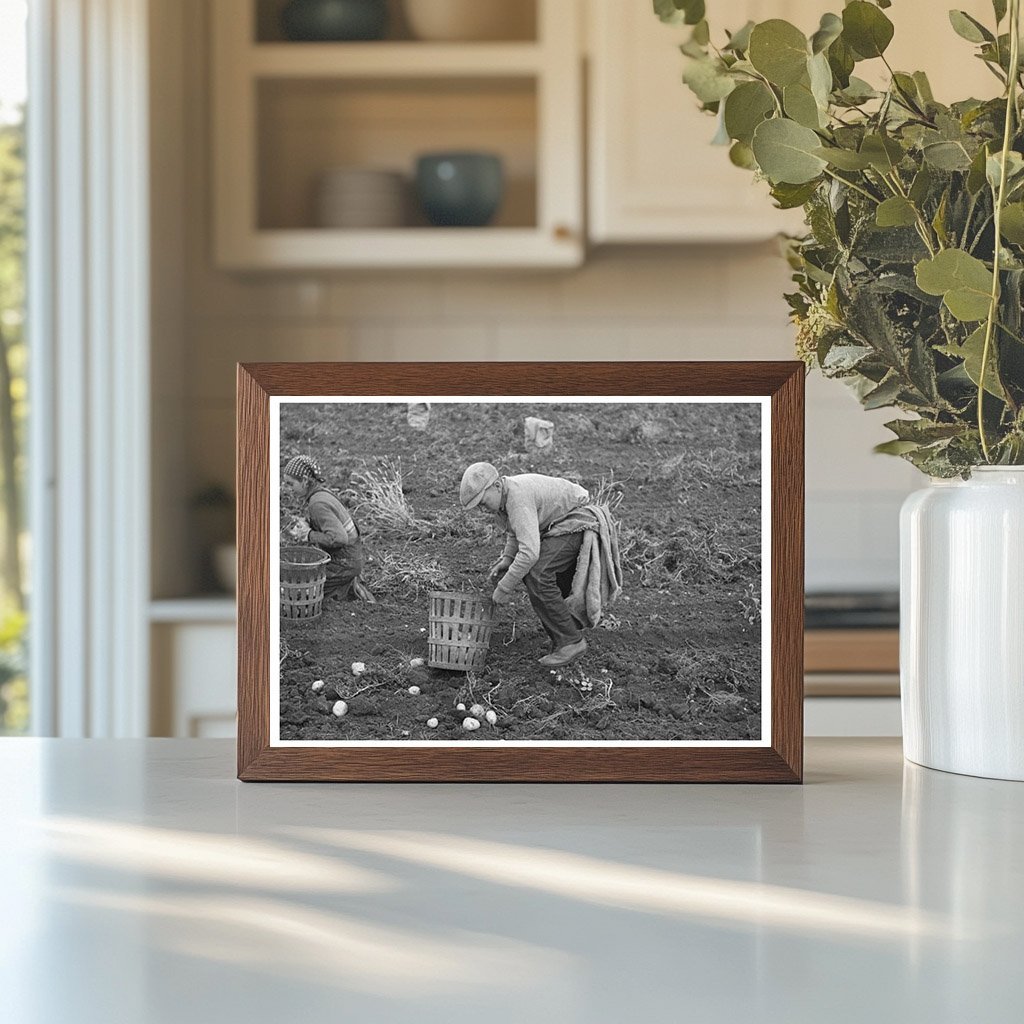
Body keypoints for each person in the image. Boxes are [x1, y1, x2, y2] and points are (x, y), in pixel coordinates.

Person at [460, 462, 623, 669]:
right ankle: (566, 626)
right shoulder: (507, 496)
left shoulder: (517, 497)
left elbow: (529, 553)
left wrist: (504, 588)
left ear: (497, 486)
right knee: (537, 573)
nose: (483, 509)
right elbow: (517, 530)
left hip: (577, 519)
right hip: (559, 524)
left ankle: (570, 642)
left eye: (483, 503)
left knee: (537, 572)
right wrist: (507, 560)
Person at [282, 455, 371, 602]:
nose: (289, 489)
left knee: (299, 592)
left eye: (291, 484)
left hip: (343, 564)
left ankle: (347, 586)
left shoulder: (317, 504)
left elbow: (339, 538)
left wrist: (308, 535)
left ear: (304, 480)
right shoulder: (322, 494)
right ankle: (347, 587)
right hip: (350, 559)